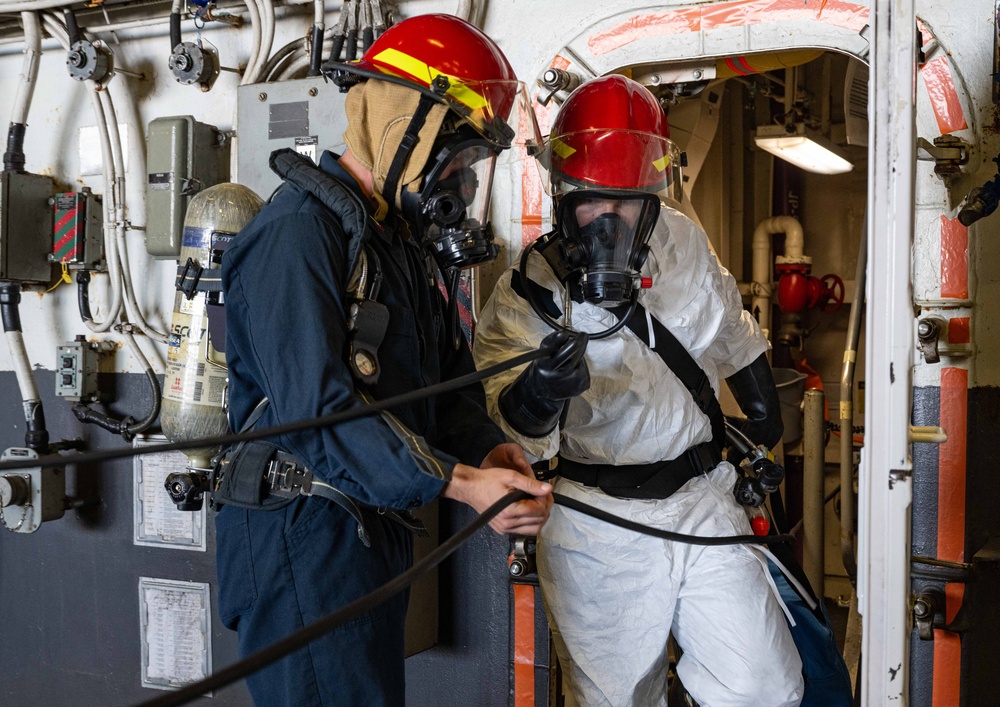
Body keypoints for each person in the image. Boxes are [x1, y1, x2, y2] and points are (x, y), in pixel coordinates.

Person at [215, 14, 552, 706]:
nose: (459, 186)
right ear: (407, 127)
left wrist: (491, 452)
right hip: (302, 541)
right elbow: (318, 412)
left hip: (366, 534)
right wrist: (461, 483)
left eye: (469, 168)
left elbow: (450, 385)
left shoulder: (397, 247)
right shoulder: (295, 236)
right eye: (454, 161)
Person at [473, 75, 809, 706]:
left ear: (652, 201)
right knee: (617, 699)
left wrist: (764, 415)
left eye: (626, 203)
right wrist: (540, 393)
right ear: (565, 195)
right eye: (593, 202)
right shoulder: (529, 294)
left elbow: (727, 329)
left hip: (700, 501)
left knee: (765, 685)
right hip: (597, 524)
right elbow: (503, 425)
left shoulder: (680, 242)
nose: (610, 221)